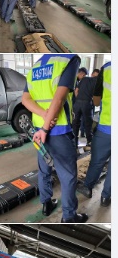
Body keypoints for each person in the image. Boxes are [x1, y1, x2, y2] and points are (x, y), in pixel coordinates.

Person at [23, 54, 88, 223]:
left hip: (38, 130)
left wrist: (43, 117)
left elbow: (25, 99)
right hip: (58, 130)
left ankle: (46, 204)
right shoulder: (69, 60)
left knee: (44, 169)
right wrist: (47, 126)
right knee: (68, 175)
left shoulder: (36, 66)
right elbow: (59, 99)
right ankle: (69, 216)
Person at [78, 61, 111, 207]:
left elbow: (96, 102)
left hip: (106, 127)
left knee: (97, 161)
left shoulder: (108, 68)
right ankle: (106, 197)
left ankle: (88, 187)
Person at [72, 67, 96, 146]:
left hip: (77, 104)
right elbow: (96, 97)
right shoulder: (97, 82)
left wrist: (78, 99)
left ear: (92, 74)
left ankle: (75, 143)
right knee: (88, 124)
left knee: (75, 124)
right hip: (87, 103)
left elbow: (76, 91)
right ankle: (89, 142)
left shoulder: (84, 79)